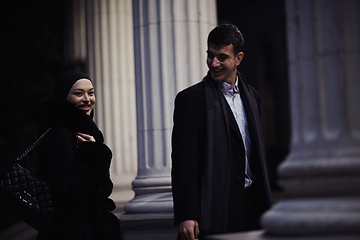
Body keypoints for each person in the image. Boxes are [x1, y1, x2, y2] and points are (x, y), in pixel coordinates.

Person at [171, 24, 273, 240]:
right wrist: (187, 215)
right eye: (210, 56)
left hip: (253, 208)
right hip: (216, 211)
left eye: (222, 57)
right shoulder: (191, 100)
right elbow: (183, 163)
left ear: (239, 58)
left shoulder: (253, 97)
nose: (214, 63)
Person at [36, 71, 121, 240]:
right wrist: (93, 155)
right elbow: (65, 190)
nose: (87, 99)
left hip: (93, 225)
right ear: (63, 98)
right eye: (78, 93)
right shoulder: (59, 135)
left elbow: (103, 188)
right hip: (70, 230)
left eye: (90, 93)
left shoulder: (88, 133)